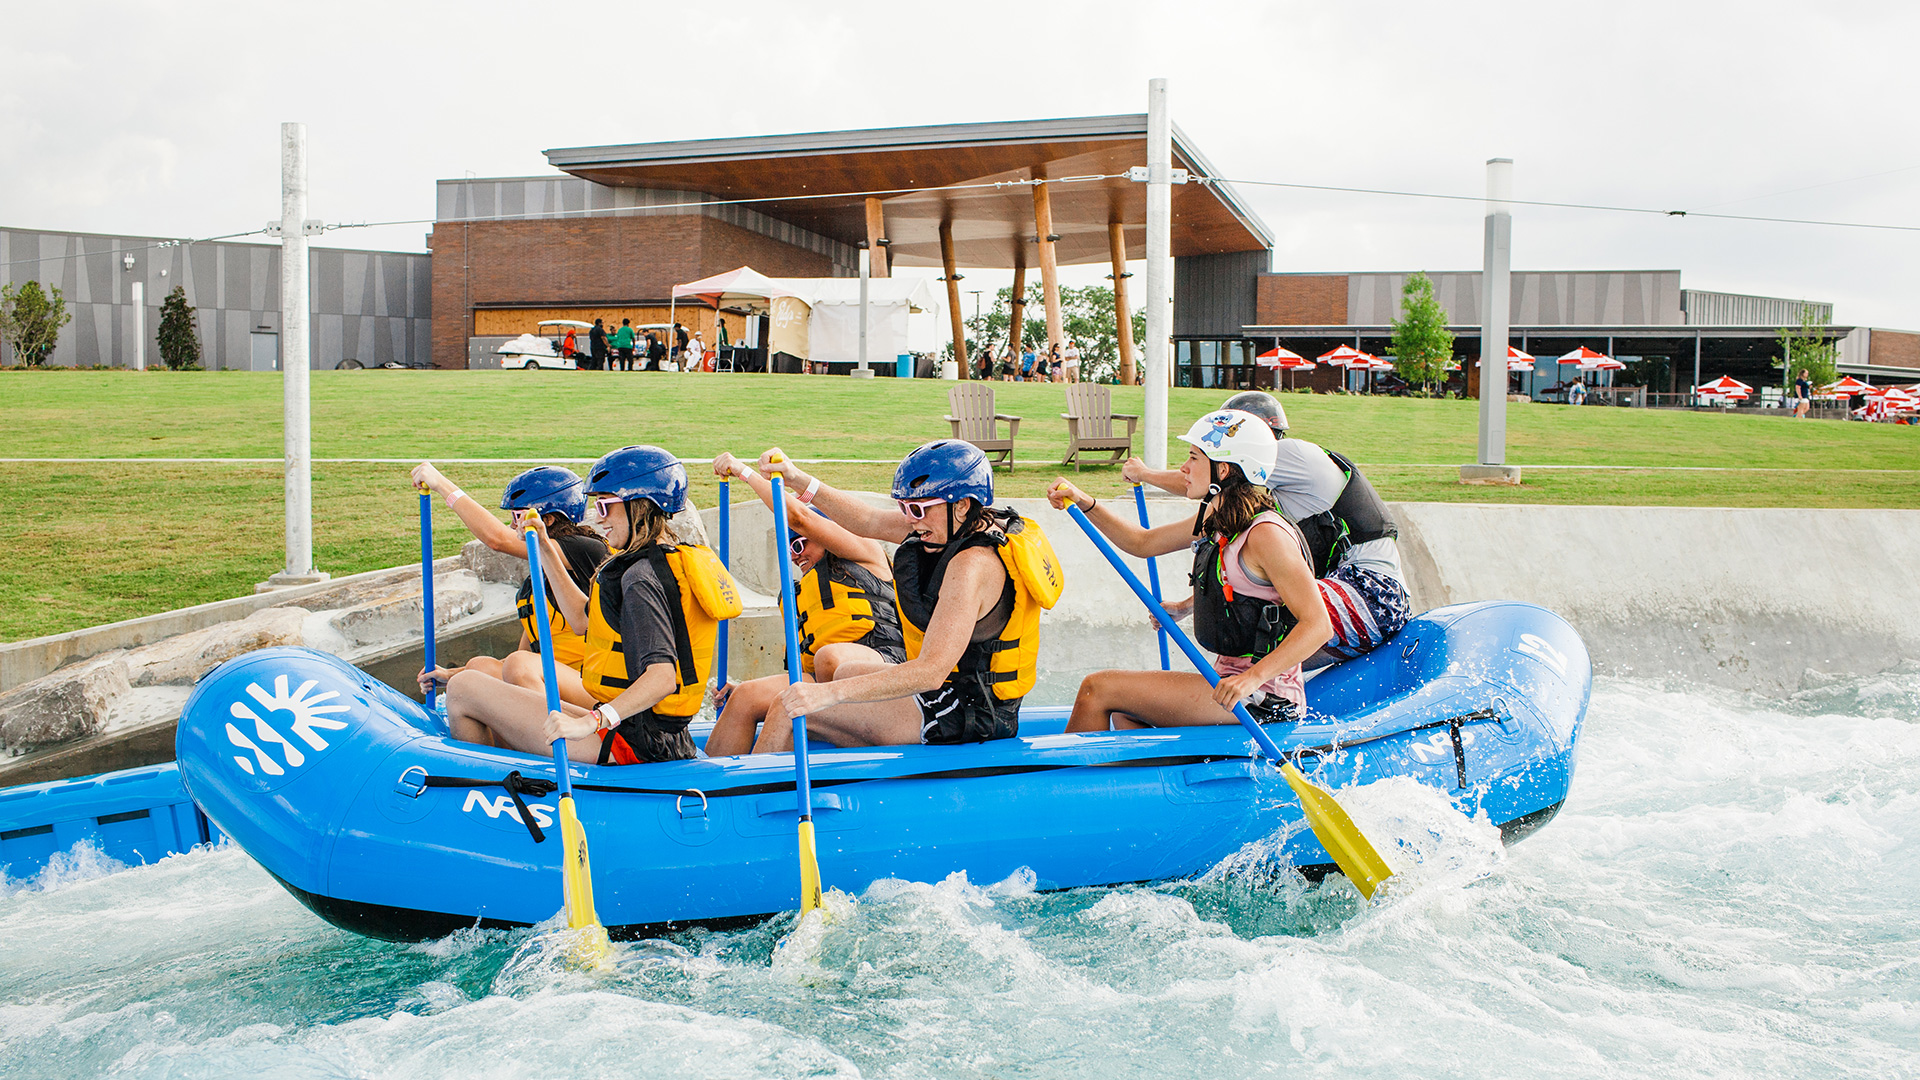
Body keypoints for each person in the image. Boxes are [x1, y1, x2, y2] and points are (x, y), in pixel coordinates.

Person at [742, 441, 1063, 751]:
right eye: (906, 507)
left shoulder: (972, 566)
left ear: (962, 504)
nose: (911, 519)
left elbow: (931, 671)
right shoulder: (950, 525)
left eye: (919, 508)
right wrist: (796, 476)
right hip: (952, 694)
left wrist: (828, 695)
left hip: (967, 715)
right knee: (845, 670)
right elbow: (868, 520)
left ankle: (748, 798)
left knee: (788, 707)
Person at [446, 446, 741, 764]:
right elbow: (581, 621)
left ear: (639, 505)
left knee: (464, 689)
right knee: (472, 680)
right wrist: (544, 546)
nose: (598, 518)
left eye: (605, 506)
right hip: (636, 732)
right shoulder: (649, 562)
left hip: (635, 745)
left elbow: (662, 677)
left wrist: (591, 721)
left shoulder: (641, 579)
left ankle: (487, 793)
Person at [1055, 410, 1330, 732]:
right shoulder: (1219, 521)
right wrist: (1084, 501)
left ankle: (1060, 782)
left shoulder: (1266, 534)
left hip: (1264, 696)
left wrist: (1250, 678)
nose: (1184, 468)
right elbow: (1143, 542)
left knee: (1098, 688)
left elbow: (1318, 625)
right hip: (1231, 684)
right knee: (1127, 713)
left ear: (1223, 470)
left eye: (1193, 458)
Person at [1124, 390, 1411, 667]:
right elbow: (1152, 544)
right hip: (1357, 602)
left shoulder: (1286, 454)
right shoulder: (1254, 502)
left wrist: (1144, 474)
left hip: (1374, 596)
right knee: (1239, 657)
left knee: (1254, 631)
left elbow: (1199, 478)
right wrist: (1186, 608)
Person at [702, 452, 906, 756]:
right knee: (744, 696)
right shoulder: (794, 595)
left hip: (881, 666)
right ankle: (715, 791)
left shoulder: (866, 556)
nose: (795, 555)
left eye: (800, 544)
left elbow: (800, 518)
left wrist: (744, 473)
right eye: (790, 548)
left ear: (826, 536)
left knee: (830, 657)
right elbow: (801, 667)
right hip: (819, 682)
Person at [410, 463, 607, 710]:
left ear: (547, 519)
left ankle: (555, 738)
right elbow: (519, 658)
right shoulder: (533, 588)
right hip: (556, 683)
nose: (513, 526)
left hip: (596, 689)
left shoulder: (585, 548)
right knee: (479, 667)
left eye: (517, 517)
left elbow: (497, 540)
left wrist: (442, 485)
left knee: (517, 665)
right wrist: (453, 675)